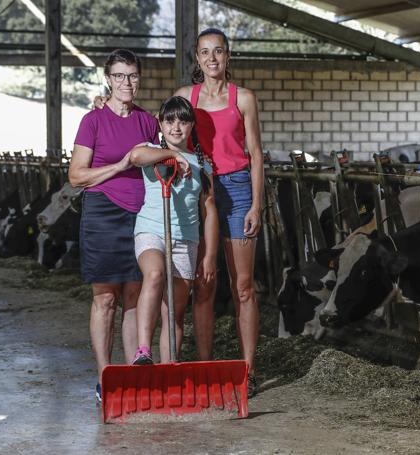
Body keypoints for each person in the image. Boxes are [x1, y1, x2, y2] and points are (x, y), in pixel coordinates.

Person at [174, 28, 264, 397]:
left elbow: (256, 153)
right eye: (205, 52)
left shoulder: (243, 98)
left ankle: (248, 370)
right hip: (199, 190)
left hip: (239, 189)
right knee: (204, 284)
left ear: (228, 57)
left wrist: (258, 204)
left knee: (243, 287)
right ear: (197, 58)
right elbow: (162, 130)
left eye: (219, 52)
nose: (212, 59)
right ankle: (207, 365)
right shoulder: (185, 97)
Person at [68, 49, 159, 402]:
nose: (126, 83)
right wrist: (121, 165)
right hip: (103, 211)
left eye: (132, 76)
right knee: (105, 298)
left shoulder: (147, 122)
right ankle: (105, 377)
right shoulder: (92, 121)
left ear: (139, 79)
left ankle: (133, 373)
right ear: (108, 78)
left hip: (142, 213)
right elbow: (76, 176)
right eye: (119, 76)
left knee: (134, 295)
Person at [128, 96, 217, 365]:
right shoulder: (151, 151)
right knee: (154, 274)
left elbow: (209, 211)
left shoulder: (203, 164)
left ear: (192, 126)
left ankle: (170, 369)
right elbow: (135, 156)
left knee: (174, 313)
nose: (176, 127)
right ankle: (143, 350)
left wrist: (209, 255)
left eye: (183, 121)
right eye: (169, 121)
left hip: (185, 239)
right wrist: (174, 154)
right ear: (160, 124)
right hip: (151, 231)